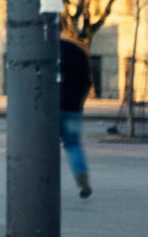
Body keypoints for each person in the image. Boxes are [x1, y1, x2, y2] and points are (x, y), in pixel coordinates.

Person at [59, 33, 93, 198]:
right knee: (73, 145)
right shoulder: (75, 50)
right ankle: (81, 179)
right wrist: (78, 101)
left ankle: (42, 182)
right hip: (73, 108)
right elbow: (87, 80)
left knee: (42, 146)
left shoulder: (43, 51)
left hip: (48, 109)